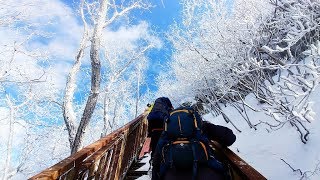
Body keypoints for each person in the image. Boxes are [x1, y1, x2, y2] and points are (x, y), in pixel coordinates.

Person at [151, 106, 236, 180]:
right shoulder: (202, 127)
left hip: (172, 174)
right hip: (208, 174)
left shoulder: (167, 133)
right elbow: (230, 138)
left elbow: (157, 158)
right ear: (195, 119)